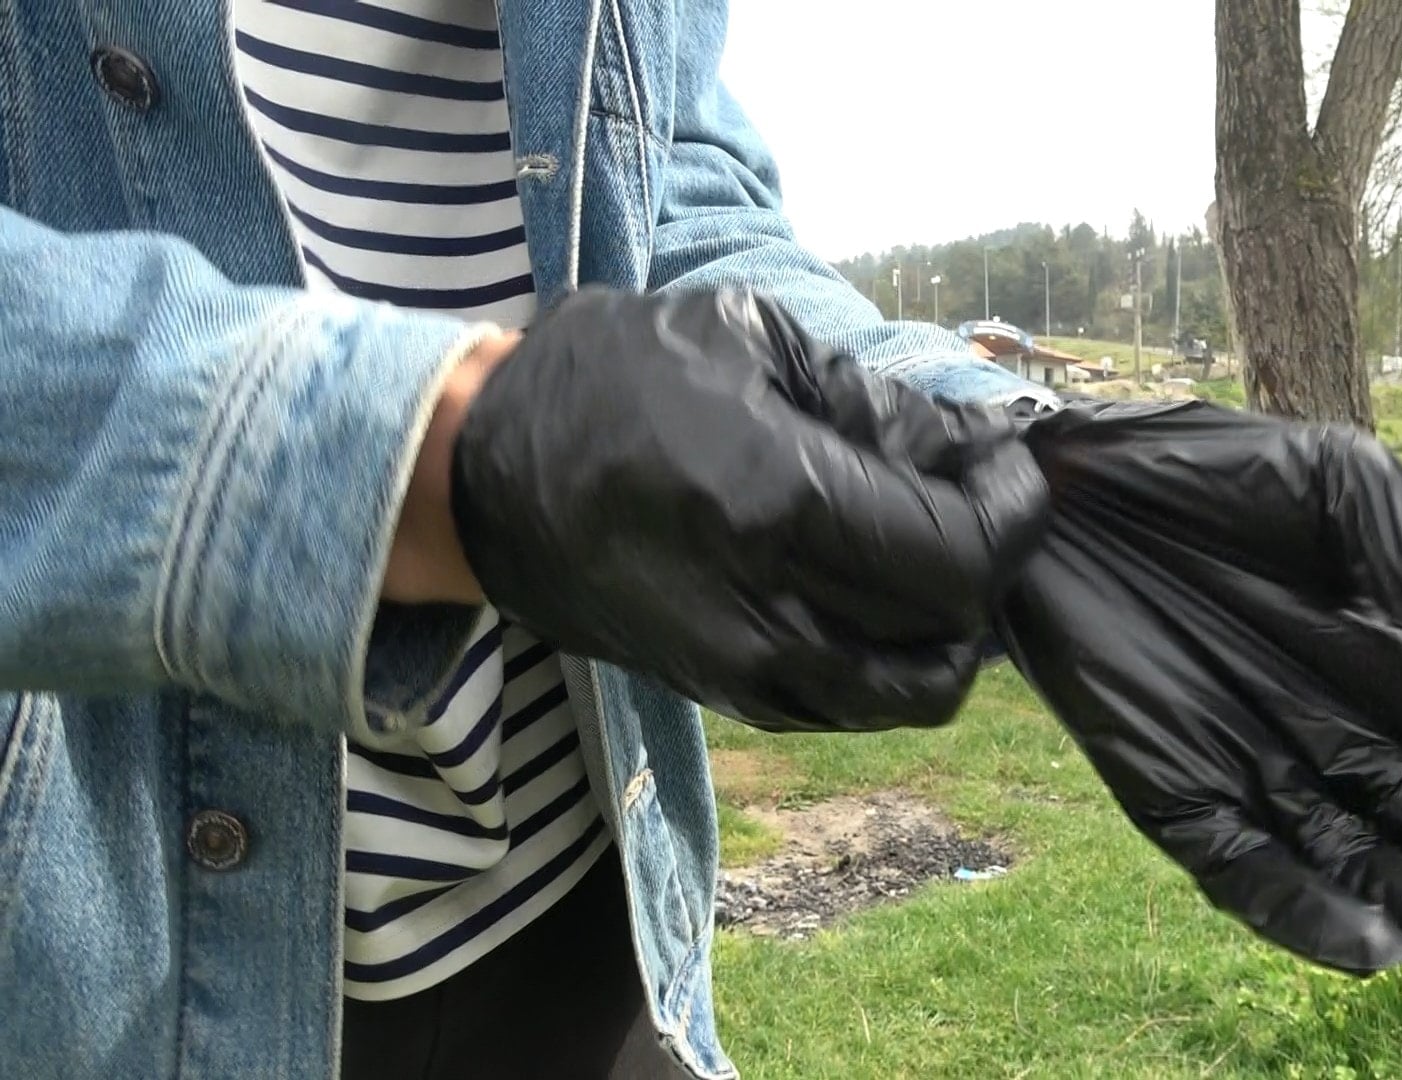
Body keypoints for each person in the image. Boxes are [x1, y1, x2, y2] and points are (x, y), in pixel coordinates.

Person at [1, 2, 1051, 1078]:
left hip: (588, 908)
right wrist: (424, 461)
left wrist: (1004, 448)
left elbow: (672, 192)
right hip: (102, 967)